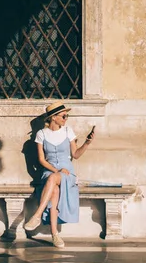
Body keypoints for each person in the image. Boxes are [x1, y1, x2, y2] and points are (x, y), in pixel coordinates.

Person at [23, 101, 95, 248]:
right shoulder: (41, 134)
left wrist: (87, 143)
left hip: (67, 172)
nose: (65, 118)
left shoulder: (68, 131)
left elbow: (75, 154)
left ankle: (37, 215)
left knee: (53, 179)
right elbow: (41, 160)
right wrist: (56, 171)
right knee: (54, 189)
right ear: (53, 117)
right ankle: (55, 235)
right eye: (63, 115)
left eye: (66, 115)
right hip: (50, 171)